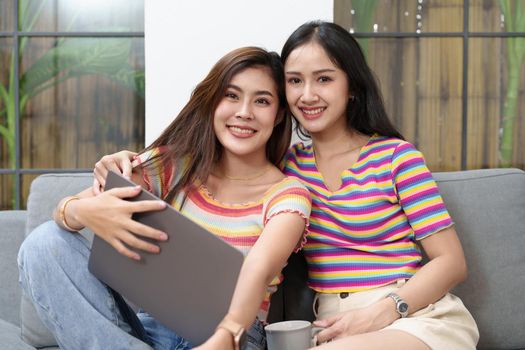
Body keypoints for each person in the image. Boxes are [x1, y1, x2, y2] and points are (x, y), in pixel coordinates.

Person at [94, 21, 479, 349]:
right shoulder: (288, 168)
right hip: (332, 325)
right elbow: (227, 166)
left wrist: (382, 310)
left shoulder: (397, 157)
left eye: (324, 79)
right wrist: (132, 163)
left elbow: (451, 262)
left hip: (412, 314)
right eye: (295, 81)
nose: (307, 95)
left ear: (352, 87)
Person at [17, 46, 311, 350]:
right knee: (44, 243)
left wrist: (226, 336)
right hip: (151, 329)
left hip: (231, 335)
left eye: (261, 101)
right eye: (231, 95)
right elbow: (66, 212)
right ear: (212, 102)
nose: (244, 112)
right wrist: (81, 211)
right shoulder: (173, 167)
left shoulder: (288, 195)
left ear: (278, 116)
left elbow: (258, 269)